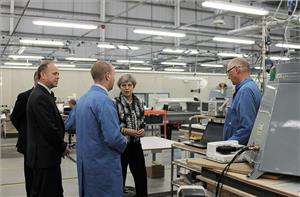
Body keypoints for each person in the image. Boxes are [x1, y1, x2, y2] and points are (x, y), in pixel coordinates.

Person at [75, 61, 127, 197]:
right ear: (108, 76)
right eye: (114, 75)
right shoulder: (104, 101)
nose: (114, 79)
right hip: (103, 167)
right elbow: (113, 137)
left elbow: (72, 126)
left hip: (86, 165)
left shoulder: (82, 100)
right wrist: (124, 142)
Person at [26, 61, 70, 197]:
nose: (58, 77)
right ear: (43, 75)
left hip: (46, 157)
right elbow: (49, 129)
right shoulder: (40, 97)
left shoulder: (43, 94)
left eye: (58, 74)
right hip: (44, 159)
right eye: (55, 73)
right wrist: (63, 147)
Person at [115, 74, 148, 197]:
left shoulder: (139, 102)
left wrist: (142, 130)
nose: (127, 88)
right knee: (120, 178)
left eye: (129, 85)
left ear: (133, 86)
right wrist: (126, 131)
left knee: (141, 177)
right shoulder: (115, 103)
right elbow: (113, 125)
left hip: (136, 145)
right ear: (120, 87)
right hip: (122, 146)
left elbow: (142, 120)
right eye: (124, 85)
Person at [10, 71, 38, 197]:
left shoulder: (50, 95)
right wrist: (25, 131)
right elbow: (14, 117)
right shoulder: (24, 96)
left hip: (44, 146)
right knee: (31, 176)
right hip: (29, 144)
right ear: (36, 79)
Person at [224, 57, 261, 145]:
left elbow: (247, 128)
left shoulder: (246, 90)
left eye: (228, 72)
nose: (228, 77)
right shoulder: (249, 87)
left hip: (238, 148)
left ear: (237, 69)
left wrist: (226, 145)